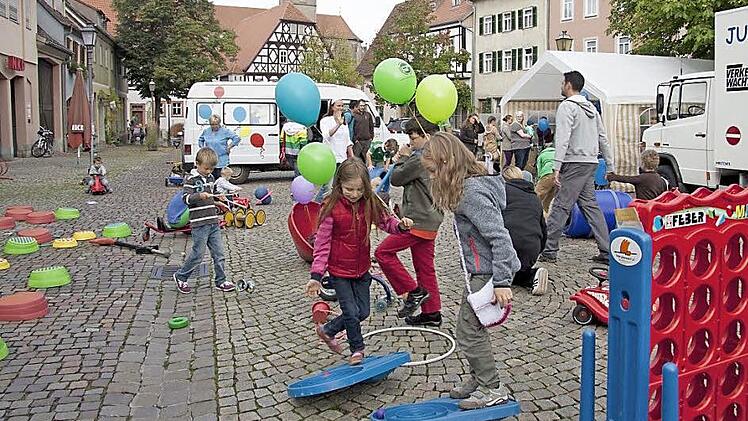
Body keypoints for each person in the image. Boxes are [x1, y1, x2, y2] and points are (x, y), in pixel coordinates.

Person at [421, 132, 519, 410]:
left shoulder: (471, 194)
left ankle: (492, 387)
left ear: (446, 164)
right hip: (479, 272)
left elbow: (500, 238)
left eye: (432, 171)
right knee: (469, 327)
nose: (430, 177)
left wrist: (501, 281)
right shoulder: (468, 188)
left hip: (487, 275)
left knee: (468, 331)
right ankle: (479, 378)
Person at [305, 159, 413, 365]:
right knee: (351, 313)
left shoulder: (369, 202)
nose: (354, 194)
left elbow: (386, 222)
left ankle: (328, 330)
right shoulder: (330, 207)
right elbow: (322, 244)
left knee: (363, 312)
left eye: (359, 189)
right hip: (339, 272)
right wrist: (316, 276)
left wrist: (401, 226)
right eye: (349, 189)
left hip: (362, 269)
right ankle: (357, 350)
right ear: (339, 185)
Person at [375, 117, 445, 327]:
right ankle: (432, 313)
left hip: (417, 221)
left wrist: (402, 157)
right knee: (425, 268)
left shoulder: (420, 158)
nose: (410, 142)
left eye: (413, 138)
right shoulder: (440, 156)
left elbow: (396, 179)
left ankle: (414, 292)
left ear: (427, 136)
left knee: (383, 253)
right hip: (432, 218)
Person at [538, 71, 614, 264]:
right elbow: (603, 138)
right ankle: (606, 250)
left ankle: (549, 250)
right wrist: (610, 165)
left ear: (569, 85)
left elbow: (562, 138)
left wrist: (557, 167)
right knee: (591, 207)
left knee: (561, 206)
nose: (561, 86)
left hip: (573, 162)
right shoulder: (592, 109)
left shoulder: (567, 107)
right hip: (590, 162)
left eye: (563, 83)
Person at [173, 148, 236, 294]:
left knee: (219, 254)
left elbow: (211, 196)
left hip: (213, 222)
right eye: (206, 168)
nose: (209, 171)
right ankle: (181, 276)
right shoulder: (191, 180)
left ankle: (221, 281)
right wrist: (199, 195)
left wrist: (217, 199)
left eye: (211, 169)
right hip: (199, 223)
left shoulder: (210, 178)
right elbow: (186, 199)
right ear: (197, 164)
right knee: (198, 254)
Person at [502, 166, 549, 295]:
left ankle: (502, 276)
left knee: (495, 270)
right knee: (520, 269)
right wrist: (538, 250)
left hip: (507, 245)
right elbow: (543, 229)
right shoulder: (535, 198)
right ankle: (531, 274)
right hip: (531, 246)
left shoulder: (501, 191)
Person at [315, 99, 353, 202]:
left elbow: (348, 141)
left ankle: (334, 206)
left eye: (342, 106)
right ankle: (317, 206)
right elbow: (327, 135)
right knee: (327, 186)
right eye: (338, 106)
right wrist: (338, 124)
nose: (340, 108)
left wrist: (352, 157)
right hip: (329, 158)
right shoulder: (326, 120)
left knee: (340, 185)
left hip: (342, 159)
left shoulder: (344, 122)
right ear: (332, 107)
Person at [198, 115, 241, 180]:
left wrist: (229, 147)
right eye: (212, 124)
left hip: (221, 160)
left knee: (221, 180)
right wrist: (203, 149)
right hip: (209, 160)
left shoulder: (225, 131)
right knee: (210, 180)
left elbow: (236, 138)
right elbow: (200, 139)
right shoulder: (206, 131)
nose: (214, 126)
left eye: (216, 124)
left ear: (219, 123)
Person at [534, 138, 557, 217]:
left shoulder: (542, 155)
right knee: (549, 197)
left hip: (547, 173)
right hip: (558, 175)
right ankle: (546, 214)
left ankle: (533, 213)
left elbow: (539, 168)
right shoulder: (556, 153)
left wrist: (539, 179)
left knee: (537, 195)